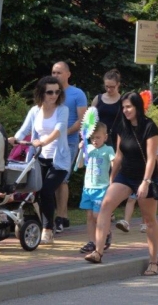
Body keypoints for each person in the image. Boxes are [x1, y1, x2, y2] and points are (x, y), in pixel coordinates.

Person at [86, 92, 158, 275]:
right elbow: (119, 156)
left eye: (129, 107)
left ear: (137, 107)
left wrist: (145, 182)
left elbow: (152, 158)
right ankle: (98, 252)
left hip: (145, 176)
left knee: (149, 220)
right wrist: (112, 179)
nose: (125, 110)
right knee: (105, 205)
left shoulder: (149, 126)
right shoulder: (122, 126)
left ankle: (154, 262)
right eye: (123, 107)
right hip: (126, 175)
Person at [8, 76, 69, 245]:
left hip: (58, 160)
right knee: (37, 192)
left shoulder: (62, 110)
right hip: (38, 158)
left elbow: (58, 130)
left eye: (57, 92)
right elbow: (24, 130)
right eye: (50, 92)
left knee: (47, 190)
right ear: (41, 93)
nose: (54, 95)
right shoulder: (35, 111)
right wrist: (15, 139)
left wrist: (43, 142)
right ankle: (42, 224)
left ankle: (48, 229)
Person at [52, 61, 87, 234]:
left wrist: (64, 132)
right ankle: (63, 217)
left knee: (62, 179)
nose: (55, 75)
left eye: (59, 72)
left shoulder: (77, 93)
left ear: (68, 74)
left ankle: (60, 218)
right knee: (52, 179)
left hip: (69, 142)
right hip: (50, 142)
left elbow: (82, 120)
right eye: (53, 72)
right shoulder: (50, 92)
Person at [75, 122, 115, 253]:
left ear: (105, 137)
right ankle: (92, 241)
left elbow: (114, 165)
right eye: (92, 138)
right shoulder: (88, 149)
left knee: (97, 215)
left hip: (102, 188)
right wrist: (81, 150)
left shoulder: (108, 150)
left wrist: (114, 180)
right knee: (89, 216)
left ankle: (106, 233)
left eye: (98, 137)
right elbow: (80, 165)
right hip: (88, 187)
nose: (95, 140)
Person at [92, 69, 123, 157]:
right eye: (107, 86)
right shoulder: (98, 99)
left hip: (116, 139)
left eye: (112, 87)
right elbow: (90, 120)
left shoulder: (123, 100)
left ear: (118, 84)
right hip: (98, 140)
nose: (109, 89)